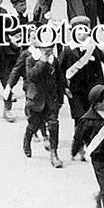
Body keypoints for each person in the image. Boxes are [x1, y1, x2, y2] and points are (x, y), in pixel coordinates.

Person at [10, 31, 66, 168]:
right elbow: (32, 76)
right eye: (45, 49)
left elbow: (60, 79)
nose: (48, 51)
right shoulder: (30, 59)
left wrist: (60, 98)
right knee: (34, 125)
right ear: (39, 49)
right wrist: (42, 61)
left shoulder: (55, 61)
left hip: (51, 100)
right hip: (36, 99)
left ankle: (54, 154)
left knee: (53, 125)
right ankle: (27, 139)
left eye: (51, 48)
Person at [63, 16, 104, 159]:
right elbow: (61, 69)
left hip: (92, 89)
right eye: (78, 32)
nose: (81, 35)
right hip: (75, 90)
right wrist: (63, 87)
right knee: (79, 118)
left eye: (84, 31)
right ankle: (78, 146)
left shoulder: (92, 47)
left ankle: (90, 144)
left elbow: (102, 57)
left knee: (91, 117)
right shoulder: (68, 49)